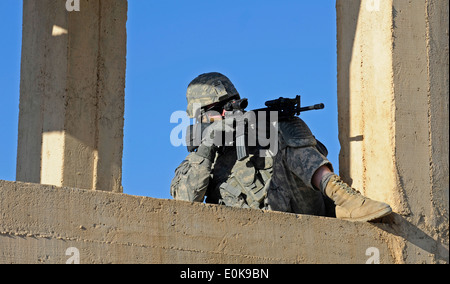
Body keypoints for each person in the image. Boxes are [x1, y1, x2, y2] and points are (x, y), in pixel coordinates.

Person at [170, 72, 392, 222]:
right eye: (218, 108)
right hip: (245, 231)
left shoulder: (262, 133)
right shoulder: (196, 163)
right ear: (201, 117)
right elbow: (184, 203)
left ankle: (344, 199)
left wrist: (267, 131)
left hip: (296, 211)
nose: (228, 112)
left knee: (288, 126)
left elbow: (317, 153)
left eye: (231, 104)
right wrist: (208, 146)